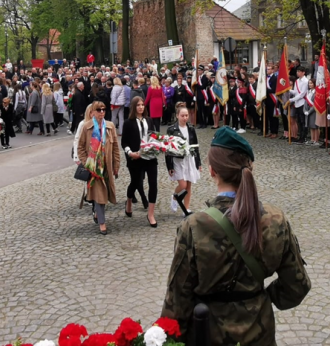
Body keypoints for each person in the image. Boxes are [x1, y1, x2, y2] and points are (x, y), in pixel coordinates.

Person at [161, 127, 311, 344]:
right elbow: (297, 286)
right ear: (251, 168)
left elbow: (177, 302)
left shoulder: (194, 226)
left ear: (212, 171)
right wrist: (260, 299)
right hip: (260, 334)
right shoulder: (275, 219)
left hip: (208, 334)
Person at [77, 101, 121, 235]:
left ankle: (97, 212)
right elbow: (80, 148)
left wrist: (116, 165)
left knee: (105, 193)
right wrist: (87, 163)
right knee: (99, 194)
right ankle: (102, 222)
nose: (102, 112)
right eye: (99, 110)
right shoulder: (86, 127)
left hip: (106, 165)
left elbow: (115, 148)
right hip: (94, 167)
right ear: (93, 112)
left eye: (103, 109)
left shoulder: (110, 126)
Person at [122, 97, 159, 225]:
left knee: (153, 183)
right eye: (138, 105)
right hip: (135, 158)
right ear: (134, 107)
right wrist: (130, 153)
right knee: (135, 182)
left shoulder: (149, 120)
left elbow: (153, 136)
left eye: (142, 105)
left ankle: (151, 214)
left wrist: (157, 144)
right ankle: (129, 202)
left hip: (150, 157)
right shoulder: (128, 122)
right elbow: (124, 142)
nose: (141, 107)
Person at [166, 102, 201, 212]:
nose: (185, 118)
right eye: (182, 115)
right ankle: (175, 197)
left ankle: (186, 209)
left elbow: (195, 146)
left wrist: (198, 162)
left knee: (189, 185)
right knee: (183, 184)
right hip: (177, 160)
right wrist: (169, 166)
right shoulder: (172, 129)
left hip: (189, 159)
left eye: (186, 115)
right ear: (177, 116)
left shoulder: (191, 128)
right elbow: (167, 149)